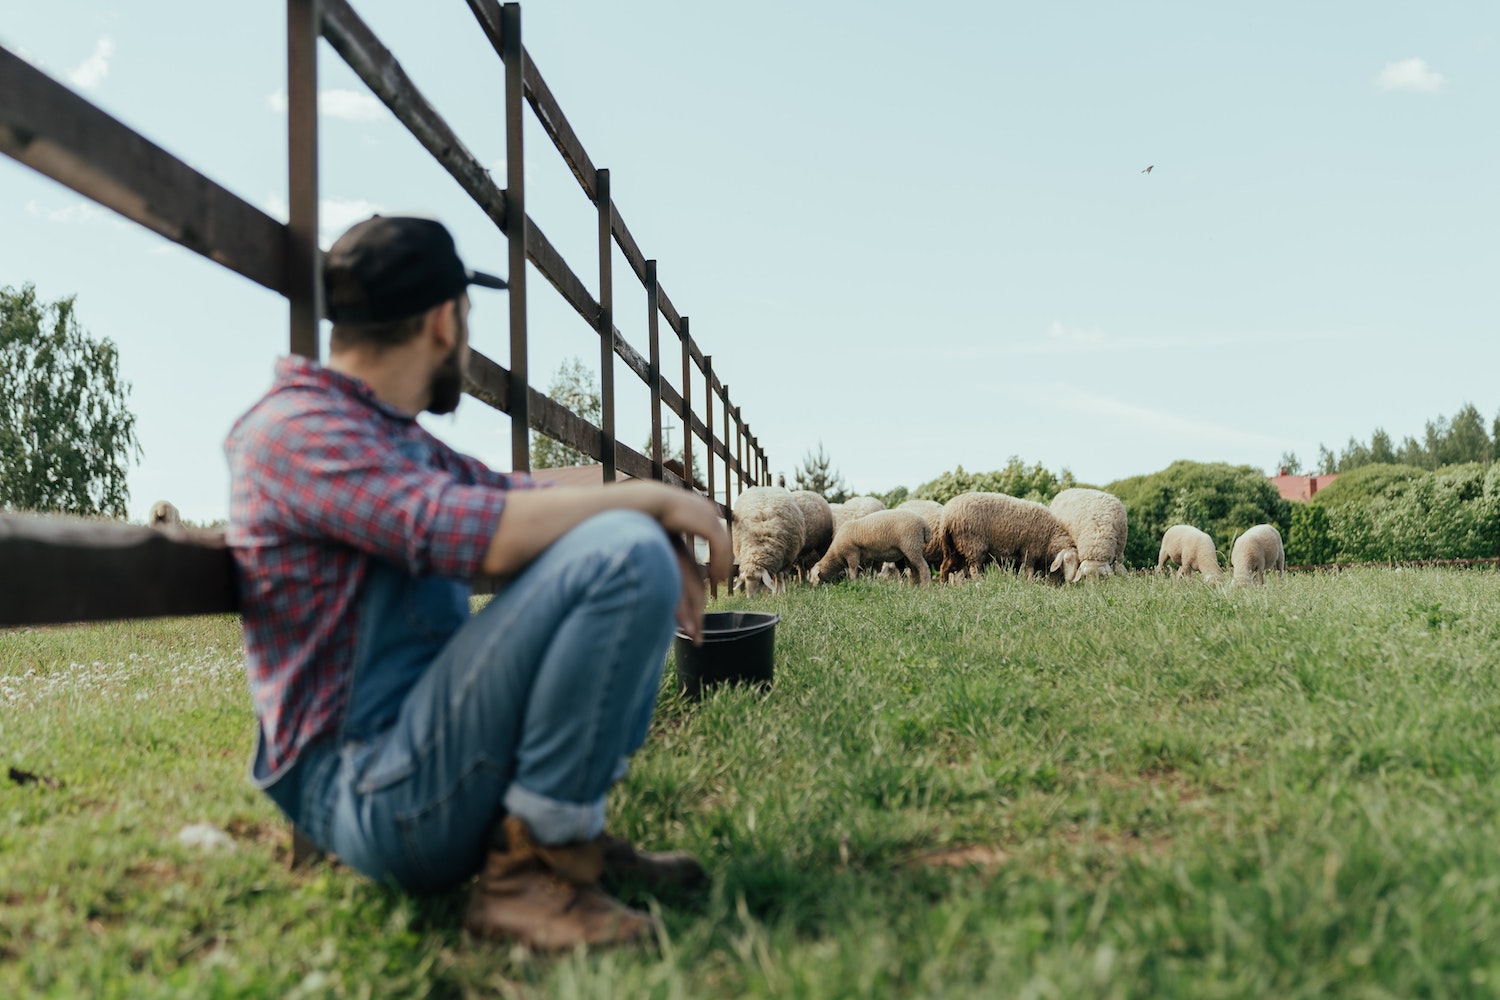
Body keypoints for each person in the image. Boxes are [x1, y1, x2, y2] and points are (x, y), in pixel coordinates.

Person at [224, 215, 730, 950]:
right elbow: (458, 528)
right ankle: (530, 879)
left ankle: (562, 842)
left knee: (620, 541)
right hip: (369, 788)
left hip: (415, 757)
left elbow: (514, 497)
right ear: (443, 319)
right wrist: (651, 502)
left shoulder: (385, 436)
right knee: (622, 548)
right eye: (468, 317)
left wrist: (639, 517)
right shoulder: (298, 433)